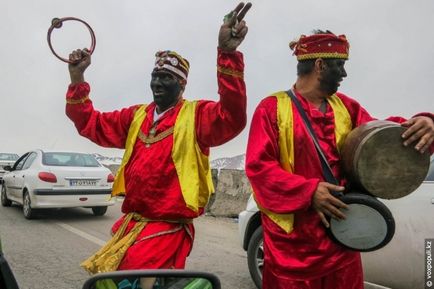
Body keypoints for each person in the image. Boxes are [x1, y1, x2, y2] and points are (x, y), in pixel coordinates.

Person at [64, 2, 252, 278]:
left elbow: (232, 117)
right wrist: (77, 76)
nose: (158, 83)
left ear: (182, 84)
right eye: (155, 76)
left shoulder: (196, 115)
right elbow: (90, 123)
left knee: (142, 282)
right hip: (131, 225)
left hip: (167, 230)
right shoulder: (136, 116)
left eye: (166, 78)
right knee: (113, 282)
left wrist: (227, 54)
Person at [245, 30, 434, 289]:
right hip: (292, 248)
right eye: (340, 66)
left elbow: (380, 136)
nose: (344, 74)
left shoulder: (346, 107)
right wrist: (309, 192)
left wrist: (424, 123)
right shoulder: (271, 109)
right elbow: (259, 168)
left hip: (341, 243)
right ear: (320, 65)